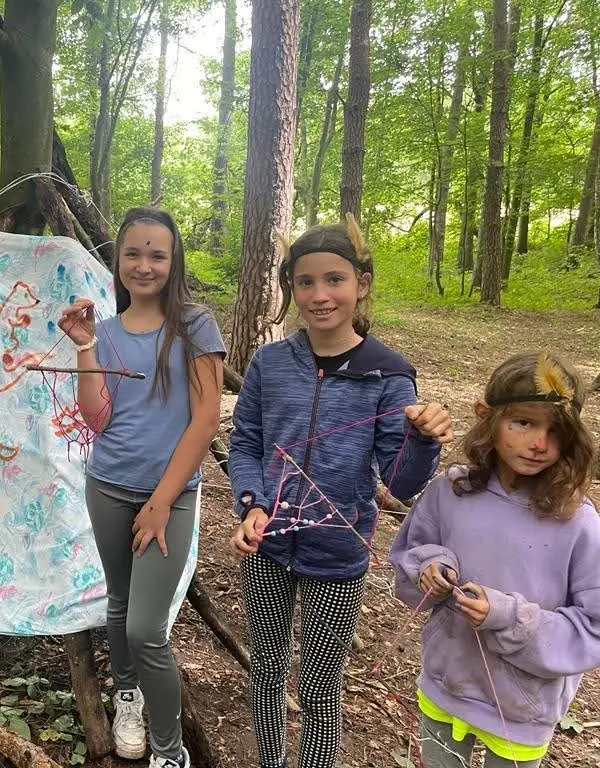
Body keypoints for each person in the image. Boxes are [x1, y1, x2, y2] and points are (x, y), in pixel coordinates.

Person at [228, 215, 453, 768]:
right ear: (291, 288)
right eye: (305, 282)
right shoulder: (269, 363)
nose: (319, 295)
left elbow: (400, 482)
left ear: (362, 284)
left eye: (335, 279)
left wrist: (423, 441)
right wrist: (252, 503)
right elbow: (246, 443)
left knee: (320, 686)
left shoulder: (389, 375)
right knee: (266, 669)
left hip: (338, 553)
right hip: (266, 548)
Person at [59, 207, 225, 768]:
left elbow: (205, 420)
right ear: (118, 260)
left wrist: (160, 502)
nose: (144, 265)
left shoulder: (195, 326)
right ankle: (126, 696)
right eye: (133, 253)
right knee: (120, 602)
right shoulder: (104, 333)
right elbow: (97, 419)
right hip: (107, 484)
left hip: (169, 497)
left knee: (147, 629)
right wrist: (84, 346)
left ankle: (169, 752)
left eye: (157, 254)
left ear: (174, 262)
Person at [390, 351, 600, 768]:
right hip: (445, 688)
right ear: (487, 416)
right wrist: (431, 567)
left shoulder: (578, 523)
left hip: (522, 711)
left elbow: (592, 627)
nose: (539, 444)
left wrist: (506, 617)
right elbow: (412, 552)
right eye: (523, 422)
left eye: (556, 431)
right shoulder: (449, 491)